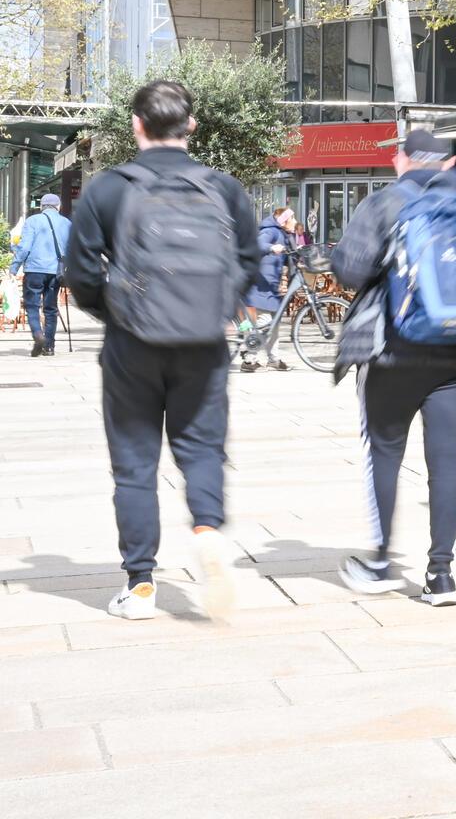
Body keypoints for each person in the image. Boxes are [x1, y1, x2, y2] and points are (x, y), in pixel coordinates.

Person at [64, 80, 260, 622]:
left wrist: (116, 311)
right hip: (203, 343)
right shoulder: (223, 188)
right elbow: (250, 264)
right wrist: (214, 308)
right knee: (201, 448)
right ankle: (207, 531)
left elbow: (79, 274)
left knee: (134, 464)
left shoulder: (107, 189)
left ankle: (141, 584)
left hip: (132, 344)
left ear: (136, 125)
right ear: (191, 126)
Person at [331, 129, 456, 607]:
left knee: (386, 453)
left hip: (393, 353)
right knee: (447, 459)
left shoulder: (383, 204)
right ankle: (440, 575)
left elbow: (349, 272)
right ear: (449, 166)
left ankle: (378, 562)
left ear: (403, 162)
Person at [11, 193, 70, 357]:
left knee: (32, 306)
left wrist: (14, 268)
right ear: (58, 207)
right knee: (51, 309)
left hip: (35, 270)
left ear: (42, 206)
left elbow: (24, 248)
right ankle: (49, 347)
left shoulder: (32, 221)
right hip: (56, 271)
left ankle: (38, 334)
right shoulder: (67, 223)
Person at [241, 206, 299, 372]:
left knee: (274, 324)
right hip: (261, 285)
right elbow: (259, 245)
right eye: (292, 218)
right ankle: (249, 358)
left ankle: (274, 359)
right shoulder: (271, 231)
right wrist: (271, 247)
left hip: (270, 286)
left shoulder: (285, 235)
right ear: (283, 220)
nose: (295, 221)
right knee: (265, 322)